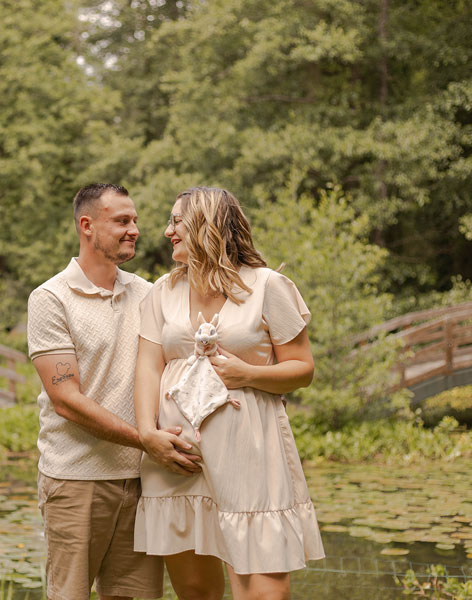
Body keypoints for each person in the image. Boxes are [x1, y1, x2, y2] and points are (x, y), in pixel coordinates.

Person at [133, 187, 325, 600]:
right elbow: (149, 366)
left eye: (176, 221)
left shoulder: (267, 286)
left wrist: (248, 373)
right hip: (177, 457)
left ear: (206, 224)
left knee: (263, 589)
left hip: (249, 452)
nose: (168, 231)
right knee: (196, 590)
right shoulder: (161, 292)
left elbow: (303, 368)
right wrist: (147, 433)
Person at [27, 183, 194, 600]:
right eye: (122, 221)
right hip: (76, 480)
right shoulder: (51, 299)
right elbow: (66, 399)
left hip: (143, 480)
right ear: (87, 226)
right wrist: (145, 439)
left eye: (135, 220)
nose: (135, 229)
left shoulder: (149, 293)